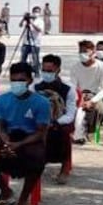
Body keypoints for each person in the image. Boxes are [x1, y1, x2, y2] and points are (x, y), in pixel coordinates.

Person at [0, 62, 50, 205]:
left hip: (30, 139)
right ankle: (6, 191)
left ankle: (23, 200)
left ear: (30, 81)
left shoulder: (42, 102)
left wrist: (19, 145)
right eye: (14, 80)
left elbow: (40, 132)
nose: (17, 83)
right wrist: (6, 143)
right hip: (10, 137)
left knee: (37, 158)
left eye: (21, 80)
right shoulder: (2, 100)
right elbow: (1, 128)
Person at [31, 55, 77, 184]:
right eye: (44, 70)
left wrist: (55, 122)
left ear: (58, 70)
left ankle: (64, 167)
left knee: (63, 132)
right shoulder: (35, 87)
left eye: (49, 71)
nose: (46, 73)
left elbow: (70, 113)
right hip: (40, 121)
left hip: (59, 121)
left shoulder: (68, 89)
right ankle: (36, 162)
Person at [71, 41, 103, 144]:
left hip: (95, 96)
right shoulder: (75, 68)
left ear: (93, 52)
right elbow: (73, 86)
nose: (82, 54)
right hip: (79, 96)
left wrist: (92, 101)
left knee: (96, 108)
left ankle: (90, 132)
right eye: (80, 51)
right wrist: (78, 99)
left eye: (85, 51)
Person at [19, 9, 44, 76]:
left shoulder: (40, 21)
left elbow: (39, 30)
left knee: (35, 58)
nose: (36, 13)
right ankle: (22, 71)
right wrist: (23, 19)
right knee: (23, 58)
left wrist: (32, 23)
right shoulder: (28, 19)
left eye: (37, 12)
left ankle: (36, 72)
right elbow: (20, 25)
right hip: (26, 42)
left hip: (35, 42)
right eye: (35, 12)